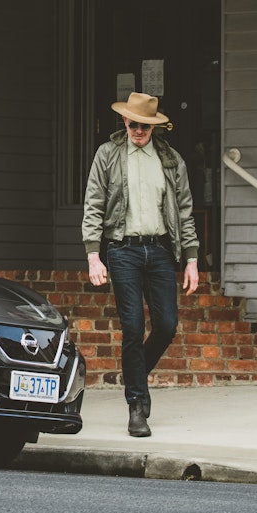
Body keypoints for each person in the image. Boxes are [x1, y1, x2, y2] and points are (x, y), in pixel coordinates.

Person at [82, 92, 199, 437]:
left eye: (143, 125)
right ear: (125, 122)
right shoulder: (108, 154)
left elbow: (186, 211)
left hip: (161, 250)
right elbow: (94, 204)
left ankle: (135, 374)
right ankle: (137, 404)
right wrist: (93, 255)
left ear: (153, 126)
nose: (137, 130)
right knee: (132, 327)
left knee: (166, 325)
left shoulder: (170, 159)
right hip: (123, 250)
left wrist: (191, 259)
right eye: (132, 123)